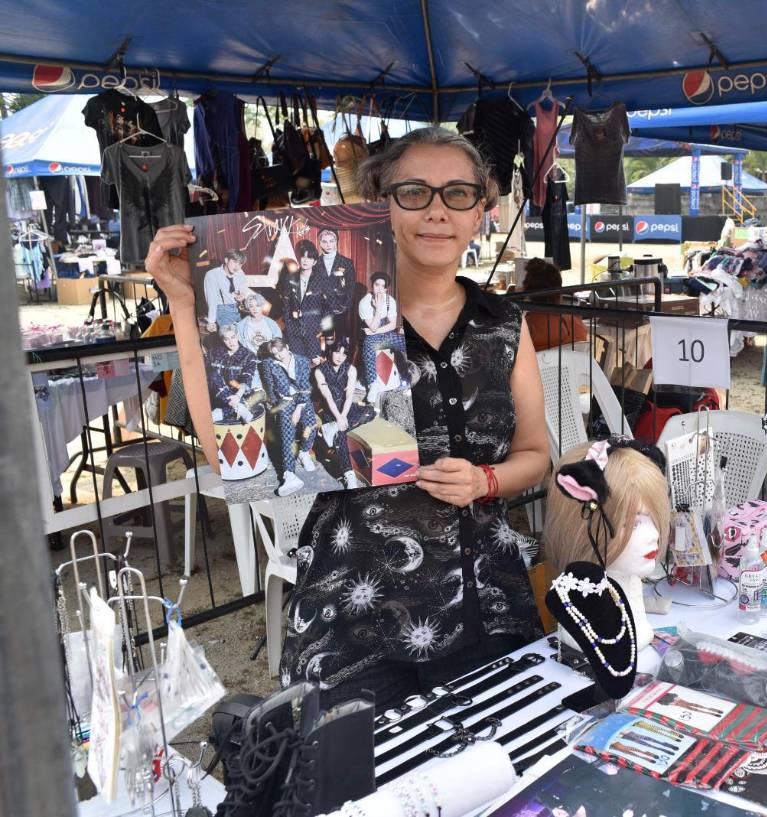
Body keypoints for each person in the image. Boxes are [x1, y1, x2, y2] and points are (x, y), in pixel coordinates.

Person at [145, 126, 550, 707]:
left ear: (480, 211)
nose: (437, 211)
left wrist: (484, 480)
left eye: (458, 193)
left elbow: (534, 455)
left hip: (485, 603)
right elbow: (229, 453)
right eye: (415, 192)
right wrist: (184, 306)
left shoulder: (503, 324)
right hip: (354, 617)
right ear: (382, 205)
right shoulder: (336, 320)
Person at [261, 338, 319, 497]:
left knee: (310, 426)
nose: (279, 355)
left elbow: (305, 387)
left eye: (281, 351)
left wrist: (298, 409)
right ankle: (289, 475)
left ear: (287, 347)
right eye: (275, 354)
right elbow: (269, 386)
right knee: (287, 436)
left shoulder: (302, 361)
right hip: (284, 402)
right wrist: (276, 405)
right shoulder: (269, 364)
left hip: (303, 399)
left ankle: (304, 452)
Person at [313, 339, 375, 490]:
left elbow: (349, 396)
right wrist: (338, 418)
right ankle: (349, 475)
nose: (340, 357)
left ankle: (332, 428)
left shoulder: (351, 369)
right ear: (330, 352)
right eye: (337, 352)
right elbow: (327, 397)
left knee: (370, 412)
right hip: (329, 410)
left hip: (345, 407)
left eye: (344, 354)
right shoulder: (319, 371)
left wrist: (343, 418)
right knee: (340, 434)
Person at [277, 239, 330, 362]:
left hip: (314, 329)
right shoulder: (290, 278)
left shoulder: (321, 280)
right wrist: (288, 325)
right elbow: (286, 305)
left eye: (309, 258)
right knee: (297, 361)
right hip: (294, 330)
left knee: (314, 361)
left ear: (314, 261)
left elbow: (327, 306)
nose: (305, 260)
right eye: (303, 257)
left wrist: (321, 327)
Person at [521, 258, 589, 351]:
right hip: (577, 360)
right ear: (559, 291)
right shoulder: (576, 322)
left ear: (528, 294)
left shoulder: (526, 327)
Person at [357, 271, 408, 389]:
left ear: (386, 289)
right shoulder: (364, 302)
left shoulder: (390, 300)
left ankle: (410, 375)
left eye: (383, 286)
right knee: (369, 348)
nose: (379, 289)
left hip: (386, 335)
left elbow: (392, 325)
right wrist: (378, 308)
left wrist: (375, 330)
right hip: (371, 338)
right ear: (372, 285)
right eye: (377, 285)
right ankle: (373, 385)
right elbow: (373, 327)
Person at [205, 324, 260, 424]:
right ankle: (238, 407)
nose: (231, 342)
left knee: (256, 394)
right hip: (217, 393)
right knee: (213, 375)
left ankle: (222, 413)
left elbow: (246, 379)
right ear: (223, 340)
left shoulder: (249, 355)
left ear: (237, 336)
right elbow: (205, 374)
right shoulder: (213, 352)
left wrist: (237, 396)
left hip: (239, 392)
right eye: (226, 339)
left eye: (233, 337)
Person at [202, 249, 250, 330]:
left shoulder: (239, 272)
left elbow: (243, 285)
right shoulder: (212, 274)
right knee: (231, 334)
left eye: (240, 264)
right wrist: (211, 321)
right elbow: (211, 300)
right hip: (222, 310)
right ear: (226, 260)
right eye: (234, 262)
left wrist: (242, 294)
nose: (237, 267)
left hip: (237, 309)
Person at [318, 228, 357, 309]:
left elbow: (351, 288)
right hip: (320, 307)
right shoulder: (315, 263)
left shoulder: (346, 262)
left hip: (341, 307)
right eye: (324, 241)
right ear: (320, 243)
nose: (328, 245)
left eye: (331, 241)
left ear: (336, 242)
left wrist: (344, 306)